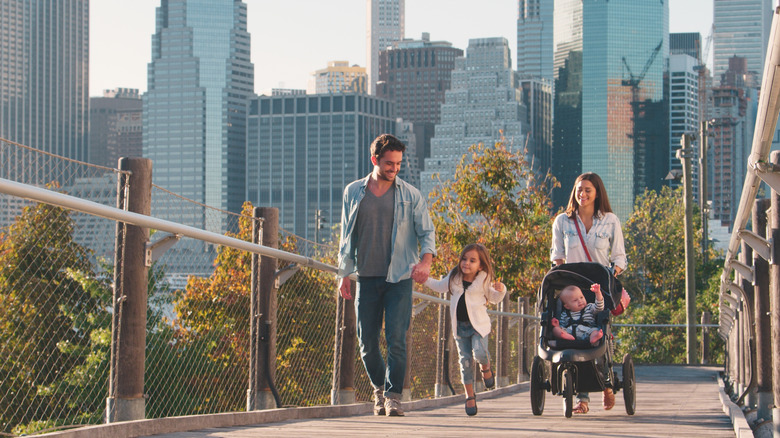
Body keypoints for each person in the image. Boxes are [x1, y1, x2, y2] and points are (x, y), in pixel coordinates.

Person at [337, 133, 436, 417]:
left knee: (396, 339)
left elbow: (427, 232)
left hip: (400, 278)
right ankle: (379, 389)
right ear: (374, 160)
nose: (394, 169)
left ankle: (393, 397)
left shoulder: (410, 195)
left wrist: (426, 262)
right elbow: (346, 236)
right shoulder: (353, 192)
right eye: (389, 163)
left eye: (398, 164)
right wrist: (343, 273)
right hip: (366, 277)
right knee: (366, 342)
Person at [550, 172, 627, 414]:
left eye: (588, 190)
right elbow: (557, 257)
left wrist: (609, 276)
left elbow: (620, 257)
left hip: (598, 288)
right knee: (575, 338)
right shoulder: (562, 221)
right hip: (572, 288)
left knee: (597, 336)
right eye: (579, 189)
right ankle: (581, 399)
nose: (582, 194)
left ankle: (605, 383)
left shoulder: (610, 221)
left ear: (597, 193)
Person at [424, 243, 506, 416]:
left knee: (480, 353)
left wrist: (501, 290)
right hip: (460, 327)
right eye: (464, 259)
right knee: (465, 361)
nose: (466, 263)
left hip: (478, 326)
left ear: (481, 265)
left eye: (472, 260)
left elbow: (494, 298)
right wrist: (423, 278)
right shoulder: (454, 277)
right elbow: (440, 286)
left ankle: (486, 368)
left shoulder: (484, 279)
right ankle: (470, 396)